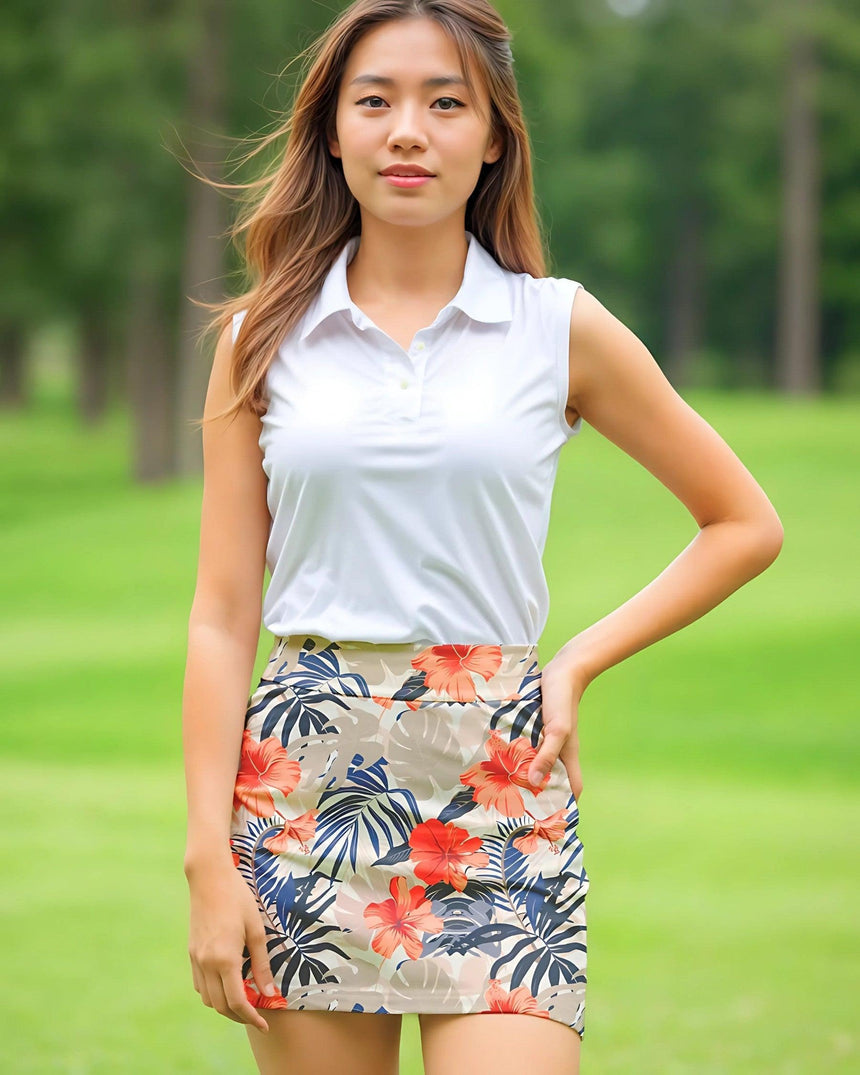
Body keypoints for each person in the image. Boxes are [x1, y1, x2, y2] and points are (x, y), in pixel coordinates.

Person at [181, 2, 784, 1073]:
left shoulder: (558, 327)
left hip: (499, 779)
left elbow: (740, 523)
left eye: (444, 102)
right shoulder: (256, 339)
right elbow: (223, 615)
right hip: (302, 791)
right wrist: (205, 863)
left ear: (494, 133)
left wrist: (577, 659)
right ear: (333, 131)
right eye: (375, 101)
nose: (407, 130)